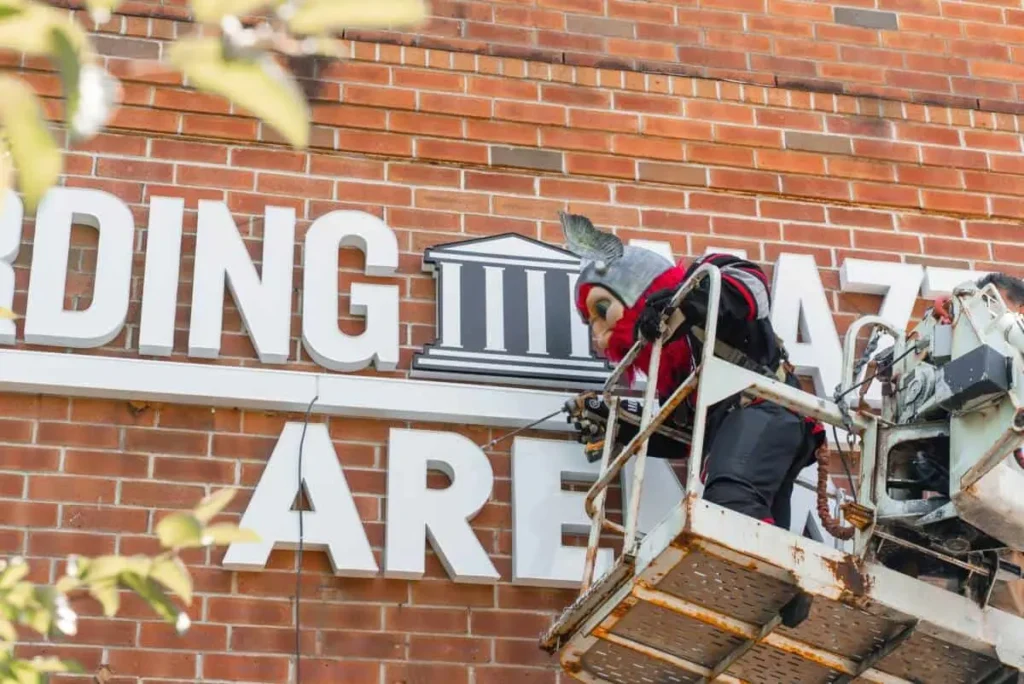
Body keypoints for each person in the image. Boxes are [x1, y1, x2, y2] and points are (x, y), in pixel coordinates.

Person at [559, 211, 822, 625]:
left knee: (731, 502)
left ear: (635, 290)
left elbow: (750, 291)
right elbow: (680, 434)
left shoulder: (707, 274)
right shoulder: (675, 370)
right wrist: (618, 423)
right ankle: (786, 593)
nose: (597, 331)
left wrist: (685, 301)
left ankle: (789, 581)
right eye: (589, 320)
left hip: (763, 411)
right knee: (757, 531)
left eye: (602, 309)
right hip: (745, 432)